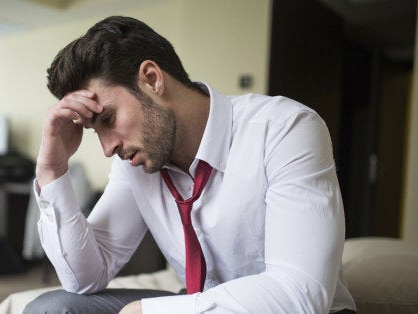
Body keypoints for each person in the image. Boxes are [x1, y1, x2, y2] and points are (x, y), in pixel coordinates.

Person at [25, 16, 356, 314]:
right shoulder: (136, 164)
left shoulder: (286, 129)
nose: (108, 148)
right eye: (95, 131)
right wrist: (51, 170)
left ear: (152, 79)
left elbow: (300, 295)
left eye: (109, 119)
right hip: (203, 300)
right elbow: (84, 279)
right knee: (53, 309)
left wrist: (147, 312)